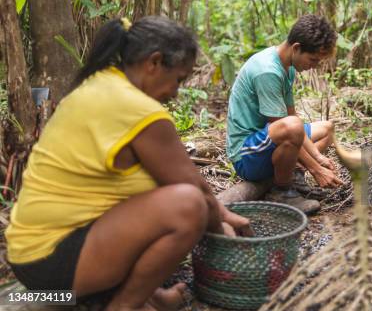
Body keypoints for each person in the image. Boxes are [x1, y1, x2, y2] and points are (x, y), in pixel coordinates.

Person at [6, 16, 251, 311]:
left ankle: (150, 298)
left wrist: (224, 213)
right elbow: (197, 194)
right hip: (53, 273)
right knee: (188, 206)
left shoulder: (102, 82)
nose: (175, 92)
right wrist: (226, 237)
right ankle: (124, 306)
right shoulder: (139, 111)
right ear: (154, 62)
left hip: (29, 262)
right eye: (178, 79)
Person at [226, 14, 344, 215]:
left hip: (269, 138)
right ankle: (282, 191)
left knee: (327, 129)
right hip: (246, 154)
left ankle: (292, 176)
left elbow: (292, 117)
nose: (314, 66)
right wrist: (316, 169)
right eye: (313, 59)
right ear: (296, 48)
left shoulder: (287, 67)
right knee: (293, 128)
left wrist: (318, 157)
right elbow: (289, 127)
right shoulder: (268, 71)